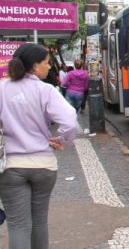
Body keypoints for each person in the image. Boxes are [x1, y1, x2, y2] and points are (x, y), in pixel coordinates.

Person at [0, 43, 78, 249]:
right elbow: (70, 121)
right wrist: (62, 141)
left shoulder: (1, 88)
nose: (49, 67)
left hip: (10, 166)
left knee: (17, 225)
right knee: (39, 222)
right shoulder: (46, 90)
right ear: (34, 66)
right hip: (43, 164)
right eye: (46, 63)